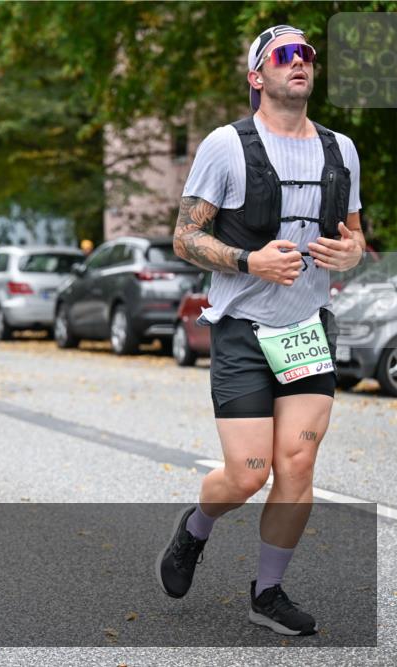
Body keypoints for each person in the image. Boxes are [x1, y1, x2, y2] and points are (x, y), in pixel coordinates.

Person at [160, 25, 364, 637]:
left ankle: (267, 593)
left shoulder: (341, 149)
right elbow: (185, 236)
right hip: (244, 329)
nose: (300, 61)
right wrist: (250, 261)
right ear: (258, 76)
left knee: (297, 464)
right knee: (248, 472)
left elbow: (355, 237)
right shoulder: (226, 146)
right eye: (285, 55)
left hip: (305, 329)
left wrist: (352, 255)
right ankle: (195, 528)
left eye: (308, 54)